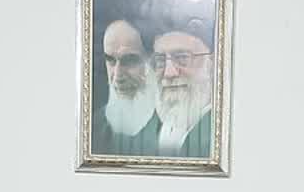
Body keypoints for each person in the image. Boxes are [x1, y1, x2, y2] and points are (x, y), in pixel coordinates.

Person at [91, 18, 161, 155]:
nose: (117, 76)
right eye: (111, 60)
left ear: (153, 61)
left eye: (129, 60)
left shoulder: (173, 127)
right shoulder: (93, 127)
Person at [150, 19, 215, 158]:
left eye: (182, 58)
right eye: (160, 60)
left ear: (211, 64)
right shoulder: (151, 129)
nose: (168, 73)